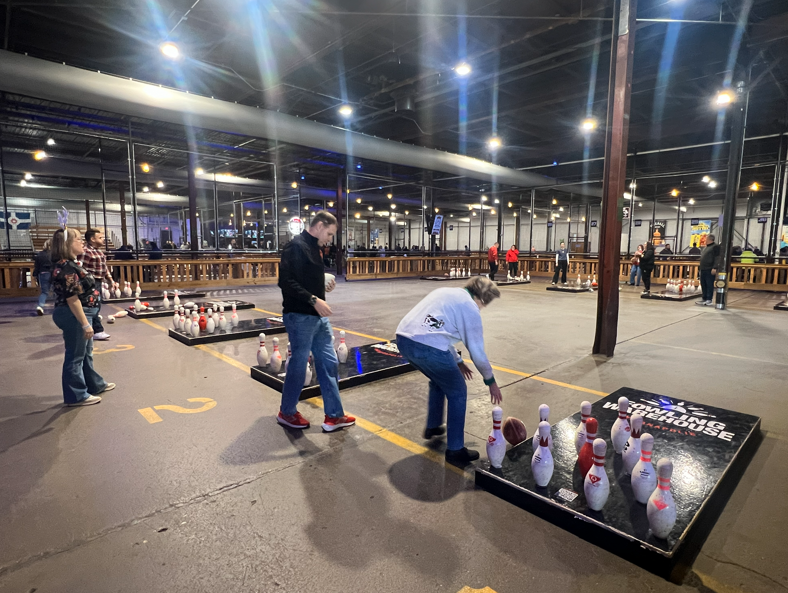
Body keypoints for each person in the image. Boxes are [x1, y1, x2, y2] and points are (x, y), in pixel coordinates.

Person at [396, 276, 503, 465]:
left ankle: (433, 426)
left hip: (404, 340)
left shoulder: (447, 293)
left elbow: (436, 331)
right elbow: (477, 352)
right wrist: (490, 381)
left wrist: (459, 361)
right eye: (485, 304)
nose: (483, 308)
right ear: (481, 298)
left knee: (438, 380)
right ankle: (455, 450)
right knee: (458, 392)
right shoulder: (469, 307)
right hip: (427, 347)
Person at [276, 210, 355, 432]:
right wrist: (313, 299)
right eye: (329, 234)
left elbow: (305, 278)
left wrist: (322, 285)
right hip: (299, 316)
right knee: (299, 366)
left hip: (317, 318)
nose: (329, 239)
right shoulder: (295, 246)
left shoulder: (315, 249)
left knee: (329, 363)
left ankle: (334, 415)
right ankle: (287, 412)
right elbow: (286, 282)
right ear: (319, 226)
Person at [50, 227, 114, 406]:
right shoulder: (66, 267)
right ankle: (76, 396)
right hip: (75, 315)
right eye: (78, 239)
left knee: (86, 353)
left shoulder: (73, 263)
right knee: (75, 356)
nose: (82, 242)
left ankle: (94, 384)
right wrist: (85, 324)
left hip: (84, 312)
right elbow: (72, 299)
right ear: (67, 244)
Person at [78, 229, 113, 341]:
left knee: (96, 305)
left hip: (98, 282)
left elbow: (104, 267)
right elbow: (80, 268)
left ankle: (94, 329)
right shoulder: (85, 251)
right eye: (100, 238)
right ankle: (97, 330)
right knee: (93, 306)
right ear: (92, 239)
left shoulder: (99, 252)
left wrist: (110, 279)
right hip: (89, 283)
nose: (103, 239)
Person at [696, 234, 720, 306]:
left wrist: (715, 267)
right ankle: (704, 298)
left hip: (709, 268)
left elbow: (717, 257)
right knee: (703, 284)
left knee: (709, 284)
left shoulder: (715, 247)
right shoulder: (706, 247)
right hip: (703, 268)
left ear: (710, 239)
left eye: (706, 239)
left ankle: (709, 299)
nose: (705, 240)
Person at [33, 239, 53, 316]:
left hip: (43, 274)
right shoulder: (55, 254)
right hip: (54, 273)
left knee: (44, 292)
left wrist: (35, 275)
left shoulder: (39, 254)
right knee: (57, 291)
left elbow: (36, 267)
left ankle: (40, 306)